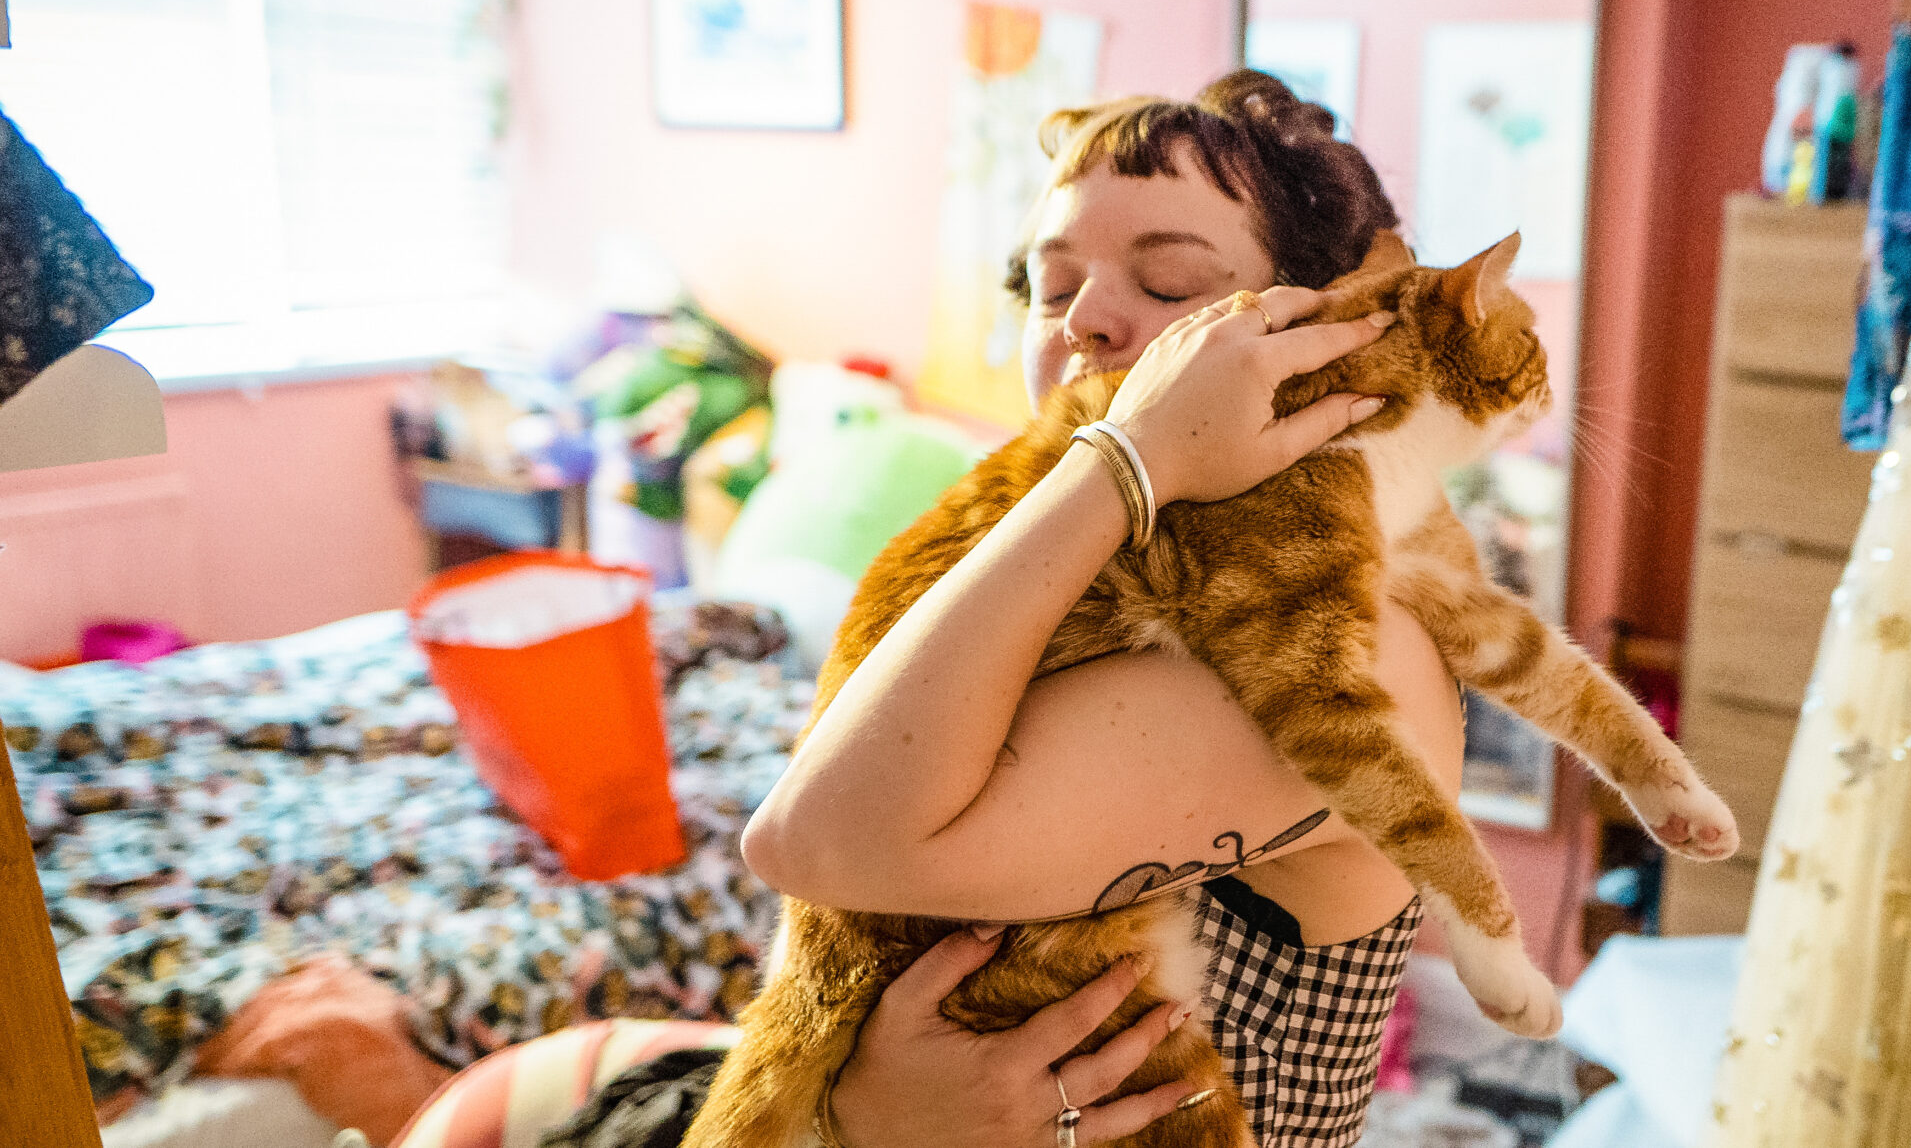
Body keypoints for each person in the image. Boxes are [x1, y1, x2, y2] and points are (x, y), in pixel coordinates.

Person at [438, 73, 1466, 1148]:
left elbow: (810, 839)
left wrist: (1122, 459)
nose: (1085, 320)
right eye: (1050, 288)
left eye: (1168, 282)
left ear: (1323, 332)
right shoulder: (1103, 576)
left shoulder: (1354, 647)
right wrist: (853, 1117)